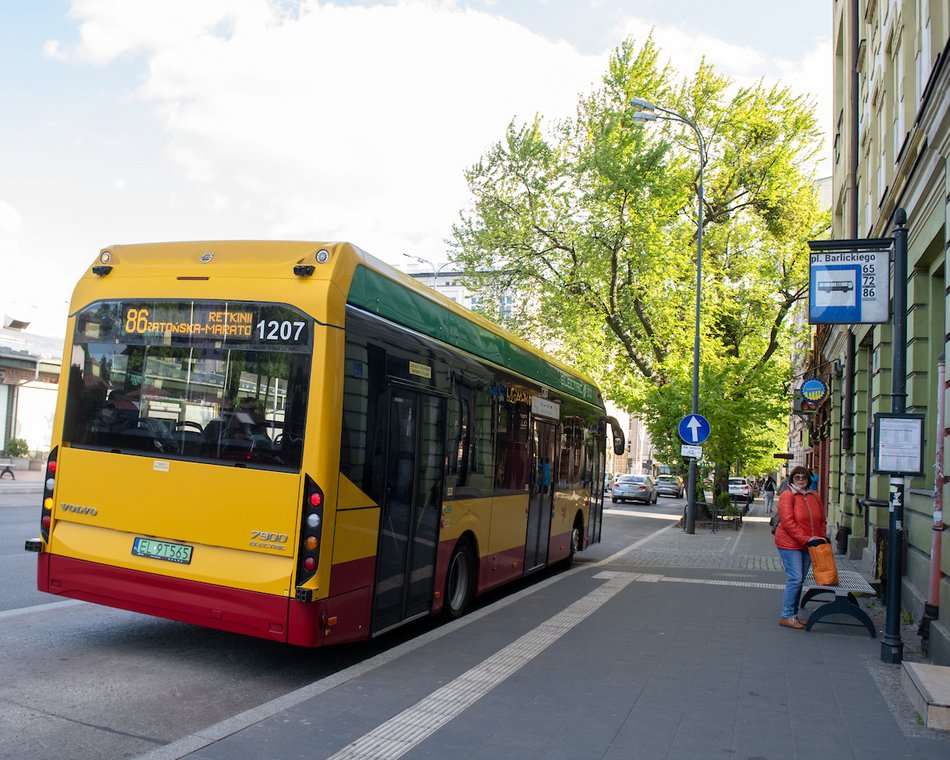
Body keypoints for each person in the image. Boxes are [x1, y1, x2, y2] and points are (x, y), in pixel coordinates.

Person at [774, 465, 827, 629]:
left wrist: (821, 537)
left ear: (808, 479)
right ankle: (786, 616)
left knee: (800, 580)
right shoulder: (787, 495)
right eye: (797, 477)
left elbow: (821, 519)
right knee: (795, 579)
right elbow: (788, 522)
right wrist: (806, 539)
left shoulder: (814, 495)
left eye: (804, 477)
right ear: (792, 479)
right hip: (789, 543)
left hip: (809, 543)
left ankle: (794, 615)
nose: (801, 480)